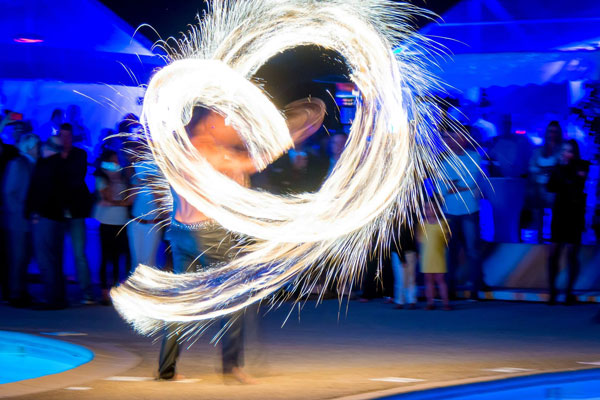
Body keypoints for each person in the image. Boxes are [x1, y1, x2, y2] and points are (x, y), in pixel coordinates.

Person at [158, 99, 324, 383]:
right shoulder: (210, 151)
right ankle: (232, 366)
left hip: (179, 231)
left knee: (182, 301)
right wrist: (287, 140)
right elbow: (250, 164)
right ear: (207, 122)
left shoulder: (180, 150)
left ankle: (166, 367)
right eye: (220, 119)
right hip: (208, 235)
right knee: (234, 296)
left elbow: (227, 180)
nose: (227, 124)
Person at [26, 123, 93, 308]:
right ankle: (59, 293)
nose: (65, 140)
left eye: (67, 136)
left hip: (74, 212)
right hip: (57, 212)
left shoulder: (78, 154)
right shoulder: (52, 161)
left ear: (72, 137)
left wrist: (58, 162)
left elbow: (76, 179)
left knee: (79, 253)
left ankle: (86, 291)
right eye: (62, 136)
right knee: (56, 253)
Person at [440, 127, 484, 300]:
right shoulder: (443, 159)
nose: (452, 141)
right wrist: (460, 185)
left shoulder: (474, 157)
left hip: (469, 210)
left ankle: (475, 288)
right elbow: (441, 186)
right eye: (450, 138)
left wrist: (451, 184)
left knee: (472, 250)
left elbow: (471, 181)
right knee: (450, 251)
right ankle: (450, 289)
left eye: (456, 137)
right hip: (450, 210)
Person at [547, 139, 589, 305]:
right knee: (554, 253)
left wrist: (564, 171)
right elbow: (550, 187)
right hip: (559, 213)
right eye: (564, 150)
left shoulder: (581, 165)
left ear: (575, 152)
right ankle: (552, 291)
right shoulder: (558, 167)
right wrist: (560, 169)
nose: (566, 153)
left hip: (574, 214)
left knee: (571, 253)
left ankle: (568, 292)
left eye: (569, 150)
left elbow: (576, 184)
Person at [4, 133, 40, 307]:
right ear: (29, 147)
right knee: (18, 257)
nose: (39, 149)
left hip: (26, 220)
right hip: (18, 221)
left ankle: (21, 291)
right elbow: (9, 193)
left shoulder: (31, 164)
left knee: (24, 257)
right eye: (37, 145)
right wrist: (21, 214)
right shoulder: (18, 164)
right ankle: (15, 294)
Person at [93, 149, 132, 305]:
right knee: (106, 256)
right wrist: (112, 179)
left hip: (121, 221)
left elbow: (127, 197)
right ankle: (104, 291)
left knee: (117, 257)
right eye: (113, 160)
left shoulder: (123, 176)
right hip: (107, 221)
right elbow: (107, 197)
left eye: (117, 160)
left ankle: (115, 288)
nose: (116, 163)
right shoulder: (102, 177)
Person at [127, 140, 165, 269]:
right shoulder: (137, 173)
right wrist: (138, 183)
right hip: (135, 223)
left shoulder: (163, 175)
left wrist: (153, 184)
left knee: (149, 263)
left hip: (152, 225)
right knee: (135, 262)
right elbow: (130, 200)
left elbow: (161, 204)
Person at [527, 121, 563, 242]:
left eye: (555, 132)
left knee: (556, 216)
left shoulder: (561, 150)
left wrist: (544, 169)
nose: (552, 134)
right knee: (538, 215)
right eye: (550, 131)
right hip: (538, 186)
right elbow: (531, 167)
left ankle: (554, 241)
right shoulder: (539, 150)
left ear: (558, 133)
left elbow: (561, 168)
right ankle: (539, 240)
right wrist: (545, 169)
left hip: (554, 188)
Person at [419, 200, 450, 310]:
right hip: (427, 257)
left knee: (440, 279)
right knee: (429, 280)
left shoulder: (443, 223)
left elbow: (446, 240)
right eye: (427, 208)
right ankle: (430, 302)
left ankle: (446, 303)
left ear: (437, 209)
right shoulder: (422, 224)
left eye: (432, 208)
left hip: (438, 256)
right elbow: (419, 240)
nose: (430, 210)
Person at [390, 219, 417, 309]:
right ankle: (400, 300)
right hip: (399, 254)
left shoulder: (410, 222)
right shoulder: (395, 224)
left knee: (411, 278)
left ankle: (411, 300)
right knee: (401, 278)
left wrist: (416, 252)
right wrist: (402, 258)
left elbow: (413, 239)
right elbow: (396, 242)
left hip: (410, 253)